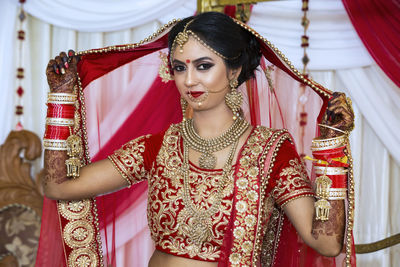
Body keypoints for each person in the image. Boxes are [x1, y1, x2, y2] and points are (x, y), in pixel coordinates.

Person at [38, 12, 355, 267]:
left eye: (204, 66)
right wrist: (62, 98)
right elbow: (59, 186)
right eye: (179, 67)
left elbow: (326, 243)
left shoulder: (270, 152)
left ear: (234, 71)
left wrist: (332, 150)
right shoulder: (159, 146)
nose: (189, 80)